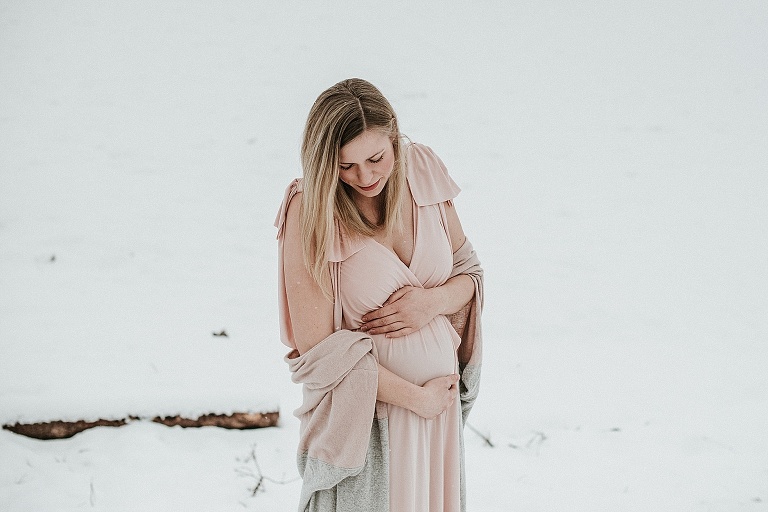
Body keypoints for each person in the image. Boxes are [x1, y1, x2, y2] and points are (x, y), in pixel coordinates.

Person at [275, 78, 483, 512]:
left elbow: (469, 273)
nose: (364, 176)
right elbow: (319, 350)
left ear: (395, 140)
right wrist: (418, 399)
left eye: (376, 158)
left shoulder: (422, 170)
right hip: (371, 426)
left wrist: (432, 302)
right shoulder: (309, 208)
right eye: (344, 166)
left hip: (436, 425)